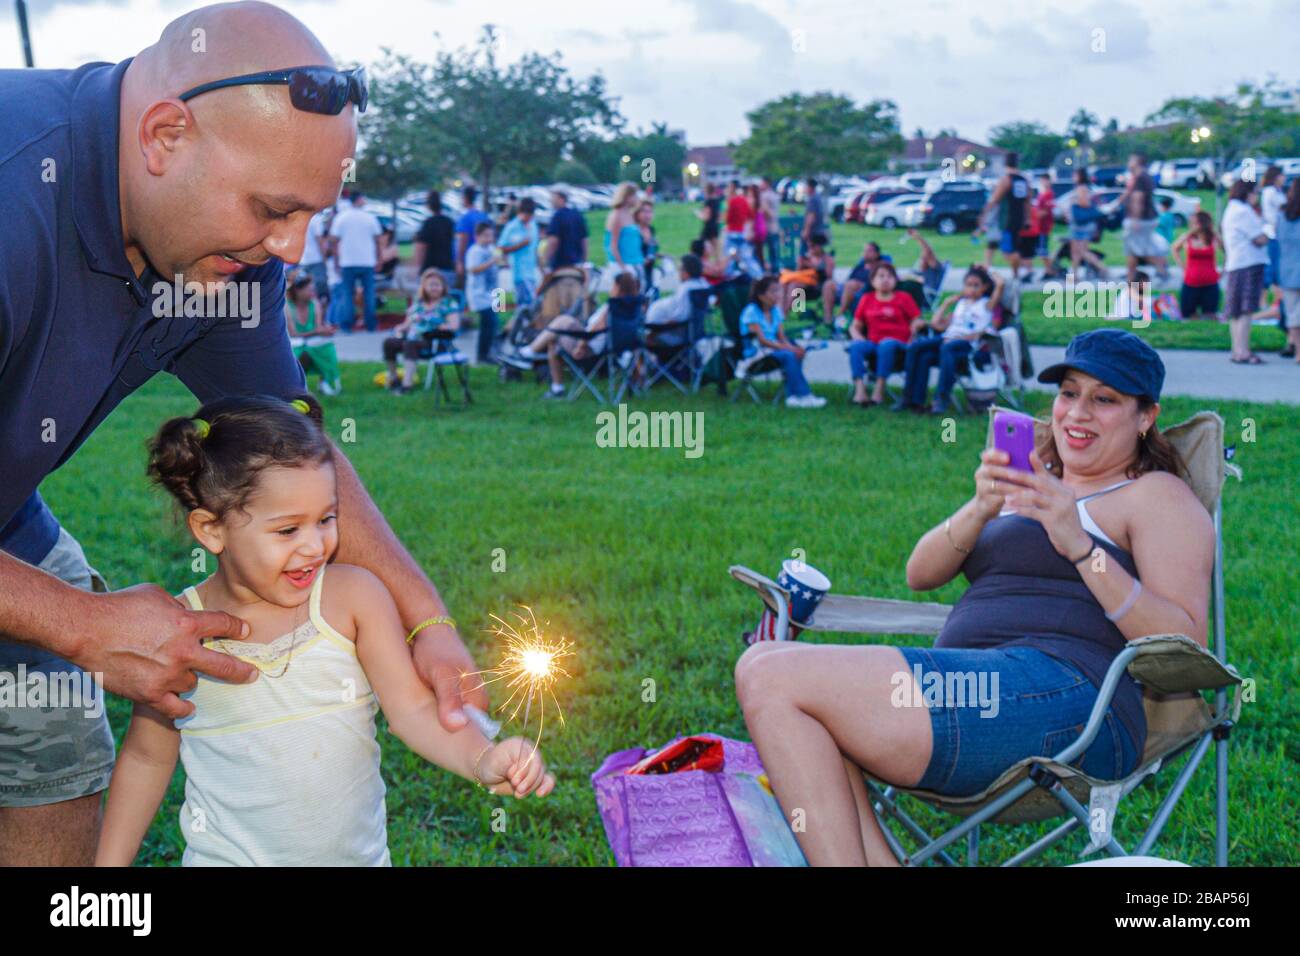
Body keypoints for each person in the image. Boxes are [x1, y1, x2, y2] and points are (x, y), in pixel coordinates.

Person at [0, 1, 484, 866]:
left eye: (309, 216)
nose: (291, 250)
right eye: (271, 209)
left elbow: (297, 454)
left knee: (52, 751)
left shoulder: (228, 261)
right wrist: (73, 620)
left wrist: (425, 623)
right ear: (164, 137)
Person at [735, 328, 1214, 866]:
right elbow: (920, 573)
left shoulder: (1155, 495)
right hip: (967, 685)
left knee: (770, 673)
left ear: (1145, 416)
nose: (1077, 414)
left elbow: (1185, 646)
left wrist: (1081, 547)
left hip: (1071, 702)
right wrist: (983, 506)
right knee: (778, 677)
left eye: (1104, 400)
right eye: (1068, 393)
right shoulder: (1033, 480)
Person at [95, 395, 554, 866]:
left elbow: (414, 710)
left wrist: (482, 760)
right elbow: (148, 759)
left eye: (327, 519)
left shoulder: (353, 599)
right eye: (288, 530)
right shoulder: (178, 633)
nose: (316, 546)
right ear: (211, 530)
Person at [894, 265, 1004, 415]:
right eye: (968, 285)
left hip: (968, 344)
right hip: (947, 339)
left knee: (947, 347)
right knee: (917, 349)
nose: (971, 289)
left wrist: (988, 269)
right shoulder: (961, 304)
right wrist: (946, 304)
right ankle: (911, 398)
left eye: (976, 285)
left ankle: (940, 400)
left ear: (984, 287)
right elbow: (936, 324)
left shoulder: (986, 304)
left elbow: (1001, 283)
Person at [517, 271, 641, 399]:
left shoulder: (612, 307)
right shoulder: (634, 307)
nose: (611, 289)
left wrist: (581, 346)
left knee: (554, 341)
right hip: (612, 348)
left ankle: (555, 385)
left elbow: (595, 329)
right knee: (564, 320)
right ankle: (531, 351)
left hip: (592, 350)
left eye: (613, 286)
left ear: (619, 288)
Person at [742, 275, 826, 408]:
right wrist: (786, 348)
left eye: (779, 291)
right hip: (756, 353)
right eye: (773, 291)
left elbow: (781, 336)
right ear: (761, 295)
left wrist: (792, 347)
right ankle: (800, 394)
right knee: (788, 354)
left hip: (774, 351)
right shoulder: (751, 312)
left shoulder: (775, 311)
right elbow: (762, 340)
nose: (778, 295)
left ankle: (794, 394)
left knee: (796, 350)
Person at [847, 262, 921, 406]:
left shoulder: (903, 297)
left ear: (895, 280)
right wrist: (858, 337)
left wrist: (914, 332)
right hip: (873, 342)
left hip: (899, 343)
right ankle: (860, 390)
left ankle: (878, 389)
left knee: (886, 344)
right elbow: (854, 326)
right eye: (881, 276)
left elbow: (917, 320)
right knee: (856, 347)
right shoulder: (867, 299)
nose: (885, 280)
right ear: (873, 281)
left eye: (889, 276)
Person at [381, 269, 462, 393]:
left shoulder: (449, 303)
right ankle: (394, 378)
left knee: (409, 344)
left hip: (435, 341)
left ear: (443, 286)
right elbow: (407, 324)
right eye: (431, 285)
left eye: (437, 285)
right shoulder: (418, 303)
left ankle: (407, 385)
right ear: (424, 286)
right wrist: (400, 328)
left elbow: (454, 326)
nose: (434, 288)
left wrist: (440, 325)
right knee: (389, 342)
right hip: (414, 338)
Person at [1221, 179, 1270, 364]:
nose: (1256, 197)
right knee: (1246, 310)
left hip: (1236, 263)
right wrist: (1268, 231)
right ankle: (1243, 351)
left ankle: (1237, 350)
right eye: (1255, 192)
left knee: (1236, 311)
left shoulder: (1231, 209)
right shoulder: (1243, 211)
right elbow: (1259, 239)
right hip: (1248, 263)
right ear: (1246, 192)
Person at [328, 191, 384, 333]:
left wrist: (336, 261)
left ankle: (347, 325)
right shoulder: (369, 217)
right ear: (359, 200)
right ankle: (370, 324)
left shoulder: (341, 218)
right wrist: (379, 258)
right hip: (367, 261)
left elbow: (334, 241)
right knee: (369, 293)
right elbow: (378, 240)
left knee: (347, 293)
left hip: (347, 261)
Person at [1113, 152, 1168, 283]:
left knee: (1139, 250)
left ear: (1137, 162)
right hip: (1146, 219)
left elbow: (1138, 199)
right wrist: (1114, 205)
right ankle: (1131, 275)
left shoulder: (1140, 178)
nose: (1128, 162)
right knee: (1133, 249)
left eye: (1131, 160)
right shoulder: (1142, 177)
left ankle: (1162, 271)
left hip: (1140, 220)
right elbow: (1128, 193)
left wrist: (1135, 219)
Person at [978, 151, 1031, 281]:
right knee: (995, 244)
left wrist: (983, 215)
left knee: (1008, 250)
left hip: (1006, 220)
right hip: (1018, 219)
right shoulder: (1024, 180)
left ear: (1005, 163)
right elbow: (1027, 202)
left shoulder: (1006, 179)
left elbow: (994, 200)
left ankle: (1019, 272)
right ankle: (990, 269)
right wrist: (1027, 219)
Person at [284, 273, 341, 396]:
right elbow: (293, 333)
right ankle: (298, 386)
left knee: (327, 347)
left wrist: (326, 330)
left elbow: (318, 326)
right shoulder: (287, 306)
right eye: (309, 289)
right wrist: (318, 331)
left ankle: (325, 381)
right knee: (303, 353)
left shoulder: (314, 303)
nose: (313, 292)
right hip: (293, 343)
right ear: (298, 291)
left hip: (309, 341)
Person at [1172, 211, 1223, 320]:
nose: (1192, 225)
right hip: (1191, 281)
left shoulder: (1213, 237)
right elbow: (1175, 248)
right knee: (1187, 315)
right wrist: (1183, 267)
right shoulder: (1187, 237)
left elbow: (1227, 251)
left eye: (1195, 223)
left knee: (1210, 315)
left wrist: (1224, 270)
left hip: (1210, 282)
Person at [780, 232, 837, 330]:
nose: (810, 248)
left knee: (795, 286)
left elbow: (829, 276)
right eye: (809, 246)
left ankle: (785, 314)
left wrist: (813, 266)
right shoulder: (806, 257)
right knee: (788, 285)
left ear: (820, 246)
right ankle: (785, 313)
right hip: (803, 287)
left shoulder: (827, 259)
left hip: (819, 287)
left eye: (813, 246)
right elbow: (798, 274)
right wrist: (801, 265)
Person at [465, 220, 501, 364]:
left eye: (491, 236)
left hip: (497, 292)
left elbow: (498, 263)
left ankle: (495, 352)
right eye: (485, 236)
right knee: (489, 323)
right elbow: (473, 270)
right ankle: (482, 356)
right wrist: (492, 261)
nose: (489, 239)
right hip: (480, 294)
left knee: (497, 323)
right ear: (477, 236)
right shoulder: (474, 251)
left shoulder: (491, 248)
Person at [1257, 165, 1287, 338]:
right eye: (1282, 175)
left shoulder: (1276, 191)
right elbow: (1278, 212)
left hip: (1278, 233)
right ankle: (1264, 303)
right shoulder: (1270, 192)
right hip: (1273, 233)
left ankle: (1271, 302)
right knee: (1272, 270)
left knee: (1274, 270)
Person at [498, 196, 541, 309]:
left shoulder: (533, 225)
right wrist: (520, 245)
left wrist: (542, 268)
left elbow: (535, 249)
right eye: (527, 215)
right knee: (529, 304)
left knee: (527, 306)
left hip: (532, 272)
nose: (528, 218)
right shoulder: (512, 227)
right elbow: (501, 248)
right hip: (518, 272)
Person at [1274, 177, 1300, 364]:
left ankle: (1295, 348)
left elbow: (1277, 241)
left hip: (1287, 269)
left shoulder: (1282, 214)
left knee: (1292, 313)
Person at [1066, 169, 1109, 279]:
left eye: (1075, 174)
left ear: (1080, 176)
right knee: (1075, 251)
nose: (1073, 176)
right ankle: (1074, 275)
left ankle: (1103, 268)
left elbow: (1085, 203)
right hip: (1078, 224)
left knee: (1082, 251)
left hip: (1081, 224)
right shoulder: (1081, 188)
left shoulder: (1082, 188)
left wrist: (1073, 201)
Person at [837, 240, 893, 322]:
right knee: (829, 285)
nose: (865, 253)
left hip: (866, 289)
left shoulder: (880, 266)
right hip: (850, 288)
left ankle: (840, 315)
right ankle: (827, 319)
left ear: (877, 254)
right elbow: (849, 279)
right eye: (865, 250)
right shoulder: (861, 265)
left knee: (851, 285)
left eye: (869, 251)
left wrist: (859, 285)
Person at [412, 189, 456, 291]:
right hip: (447, 267)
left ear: (428, 205)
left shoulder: (428, 223)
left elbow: (421, 246)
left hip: (430, 269)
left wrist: (418, 267)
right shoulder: (449, 222)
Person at [603, 182, 644, 287]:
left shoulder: (629, 214)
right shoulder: (616, 216)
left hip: (635, 262)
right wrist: (623, 268)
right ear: (626, 196)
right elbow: (613, 244)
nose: (637, 198)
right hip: (623, 265)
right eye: (635, 195)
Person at [544, 188, 589, 275]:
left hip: (560, 264)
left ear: (561, 198)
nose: (551, 200)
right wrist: (584, 260)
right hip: (576, 263)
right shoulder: (577, 215)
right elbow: (584, 240)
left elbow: (553, 241)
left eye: (553, 197)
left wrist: (547, 259)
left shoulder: (557, 217)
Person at [453, 185, 490, 288]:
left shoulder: (465, 218)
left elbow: (462, 241)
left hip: (469, 261)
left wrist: (459, 262)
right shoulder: (483, 216)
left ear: (465, 198)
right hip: (484, 259)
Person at [1031, 173, 1060, 281]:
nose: (1043, 182)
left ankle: (1050, 270)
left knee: (1043, 250)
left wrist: (1033, 216)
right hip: (1039, 226)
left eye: (1044, 180)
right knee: (1041, 249)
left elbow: (1045, 211)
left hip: (1044, 226)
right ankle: (1049, 269)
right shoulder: (1042, 194)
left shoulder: (1048, 194)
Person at [299, 207, 331, 303]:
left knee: (306, 287)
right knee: (319, 289)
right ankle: (319, 311)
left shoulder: (304, 218)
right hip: (316, 259)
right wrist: (325, 258)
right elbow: (320, 241)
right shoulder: (317, 219)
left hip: (304, 259)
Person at [724, 179, 753, 263]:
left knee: (728, 256)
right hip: (742, 232)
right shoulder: (743, 200)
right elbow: (750, 215)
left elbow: (728, 218)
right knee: (746, 256)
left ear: (733, 187)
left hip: (732, 232)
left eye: (729, 186)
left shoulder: (732, 201)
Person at [759, 177, 783, 271]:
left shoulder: (765, 196)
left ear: (766, 183)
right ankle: (776, 272)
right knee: (774, 253)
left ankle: (771, 273)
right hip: (775, 227)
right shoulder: (774, 195)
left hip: (768, 228)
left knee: (768, 252)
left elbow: (765, 211)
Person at [635, 199, 659, 292]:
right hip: (638, 272)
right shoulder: (634, 231)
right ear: (637, 214)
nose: (647, 215)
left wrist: (658, 254)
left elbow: (650, 249)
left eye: (650, 212)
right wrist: (644, 260)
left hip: (649, 270)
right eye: (644, 212)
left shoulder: (651, 229)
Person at [801, 178, 828, 255]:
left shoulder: (812, 199)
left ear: (810, 187)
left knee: (807, 255)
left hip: (813, 232)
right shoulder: (818, 197)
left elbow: (811, 216)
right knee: (817, 253)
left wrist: (806, 231)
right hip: (819, 231)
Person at [696, 182, 722, 259]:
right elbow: (719, 216)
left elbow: (706, 217)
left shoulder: (708, 202)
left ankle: (703, 266)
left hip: (708, 228)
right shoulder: (717, 201)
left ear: (707, 191)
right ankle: (718, 267)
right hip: (715, 227)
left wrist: (698, 214)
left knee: (700, 247)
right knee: (717, 251)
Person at [748, 183, 769, 271]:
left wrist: (750, 230)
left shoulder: (752, 201)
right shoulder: (761, 201)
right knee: (760, 252)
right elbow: (767, 214)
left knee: (753, 252)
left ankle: (758, 271)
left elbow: (751, 218)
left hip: (755, 229)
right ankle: (762, 269)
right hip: (762, 227)